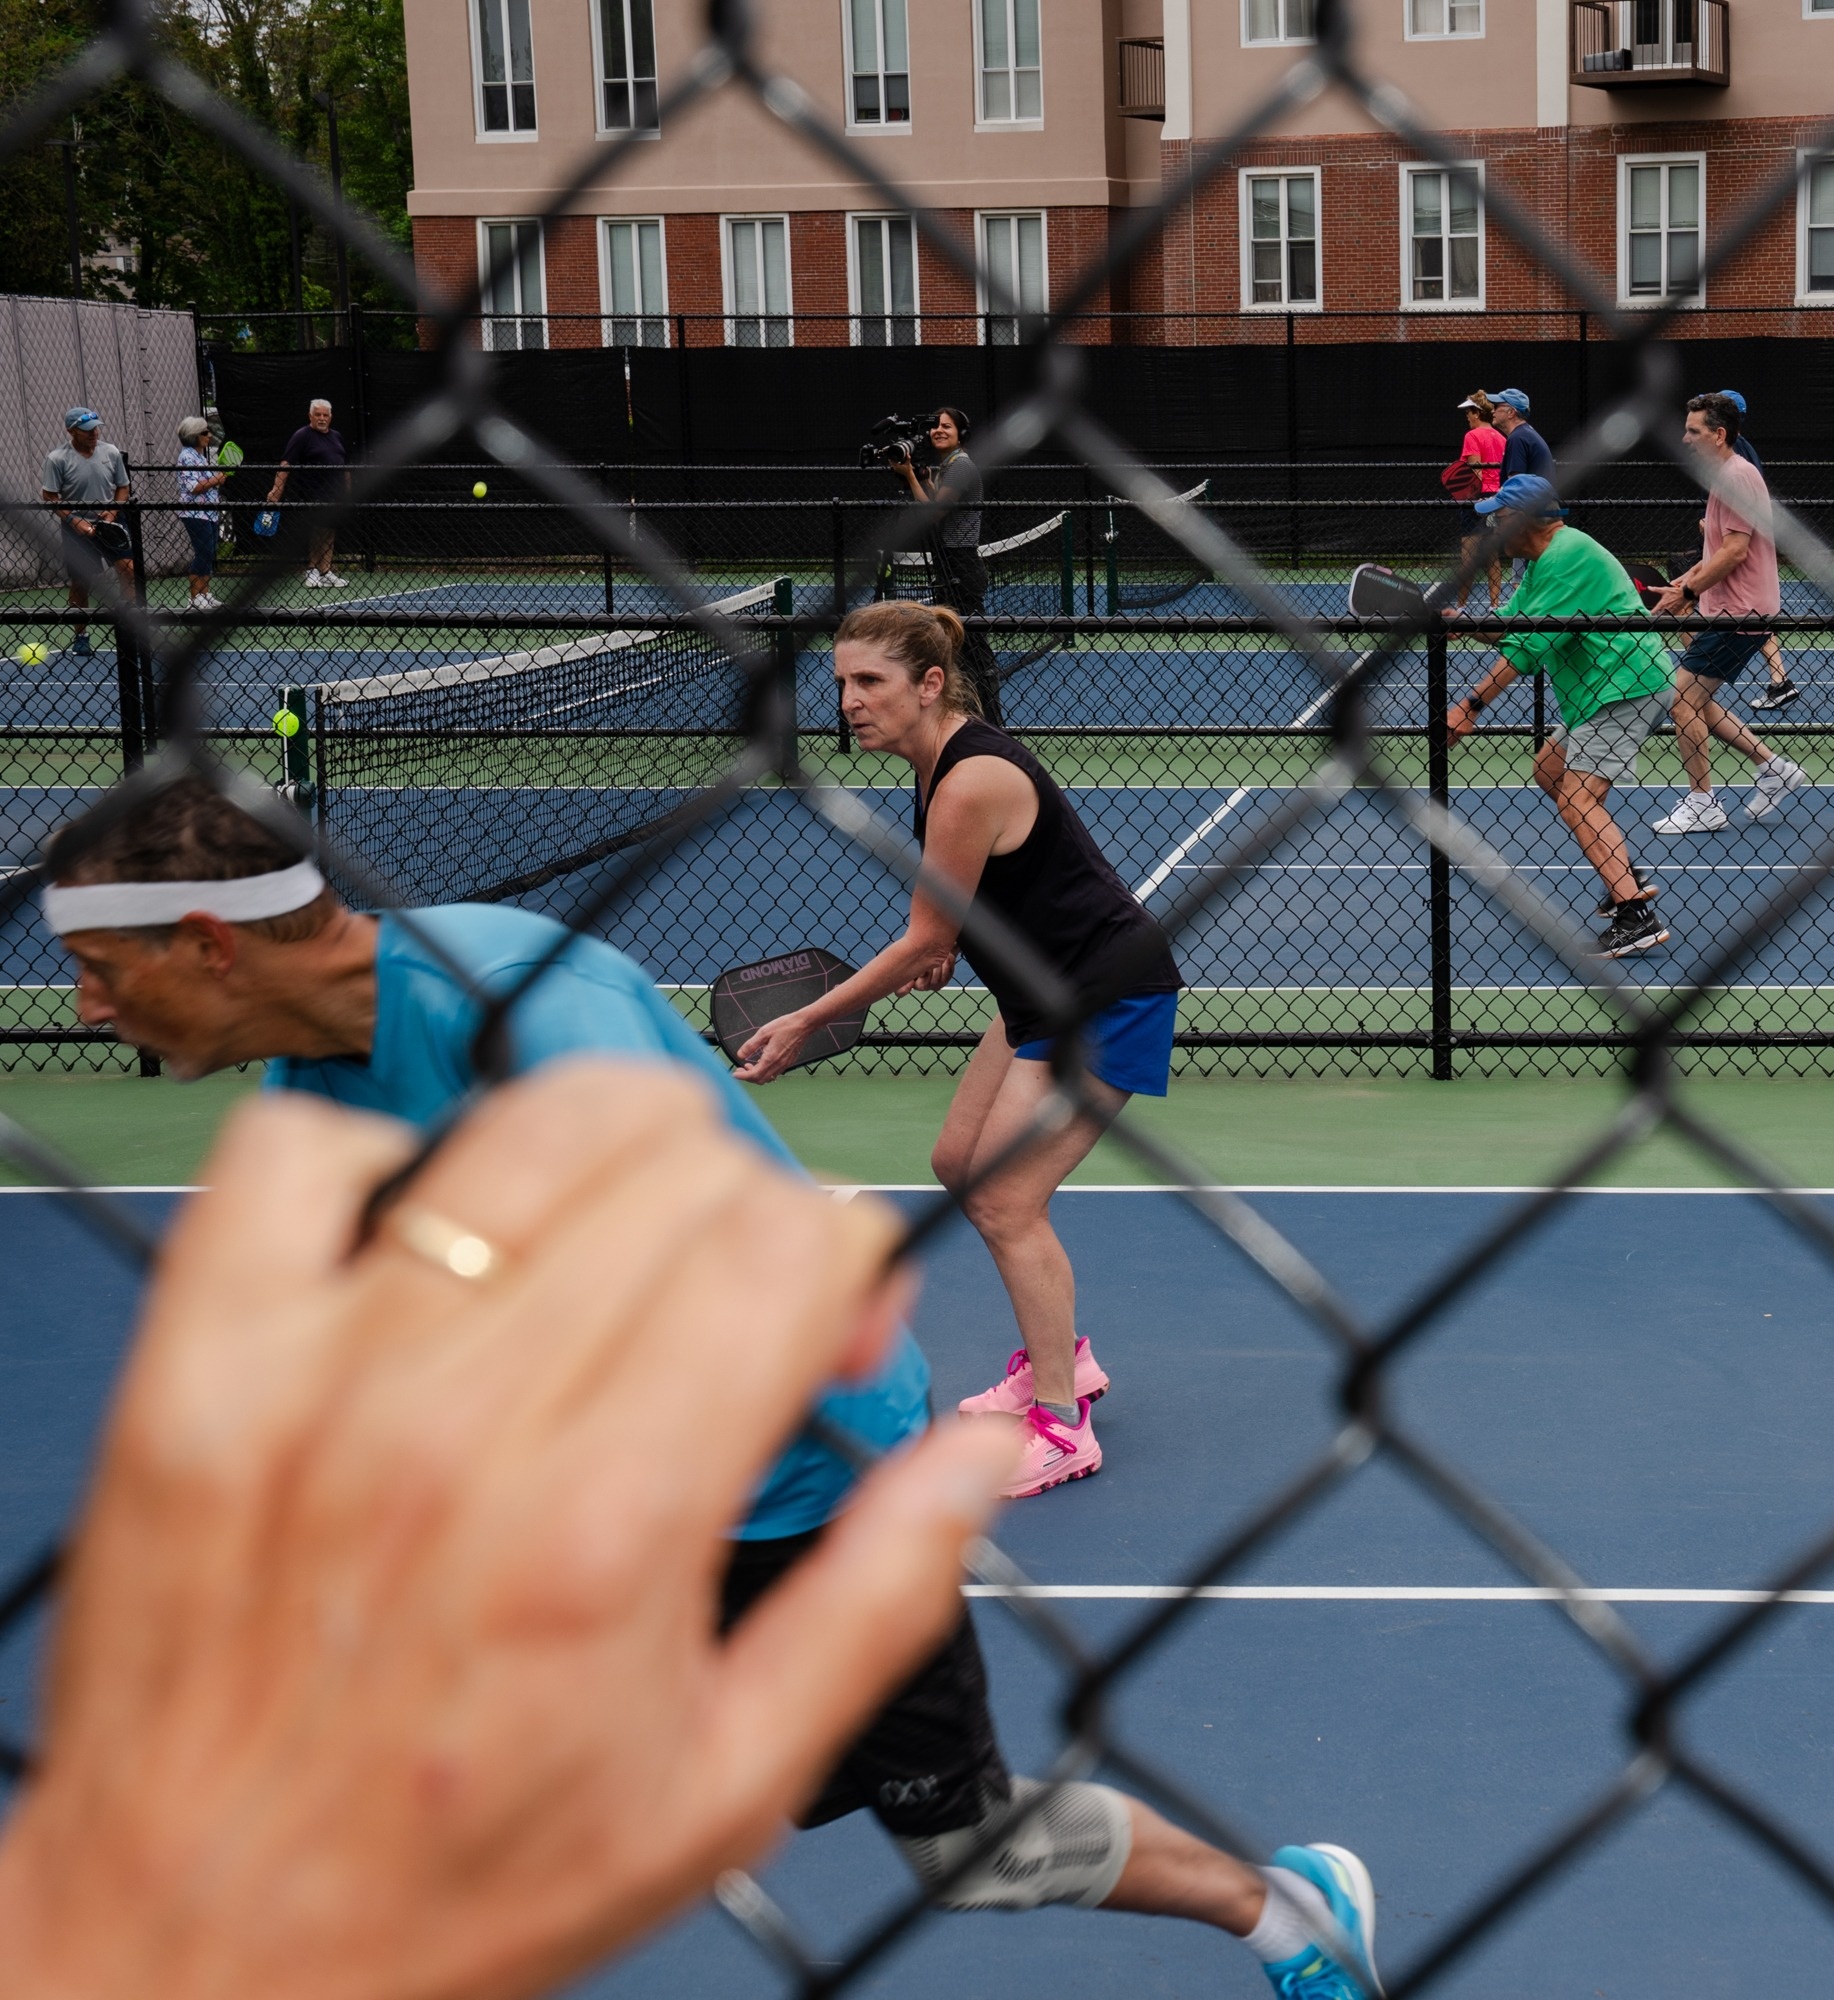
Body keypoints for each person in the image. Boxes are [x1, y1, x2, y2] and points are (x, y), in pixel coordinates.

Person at [16, 1037, 1834, 2000]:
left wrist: (151, 1941)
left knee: (956, 1835)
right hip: (734, 1502)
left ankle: (1276, 1899)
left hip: (792, 1512)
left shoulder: (570, 995)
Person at [36, 776, 1377, 2000]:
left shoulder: (521, 1000)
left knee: (972, 1852)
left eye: (99, 969)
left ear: (207, 944)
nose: (88, 1006)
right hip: (622, 1498)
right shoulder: (311, 1100)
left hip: (807, 1472)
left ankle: (1287, 1912)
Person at [733, 602, 1185, 1502]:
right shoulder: (936, 764)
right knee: (958, 1164)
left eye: (871, 681)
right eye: (842, 682)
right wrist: (948, 940)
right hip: (1039, 996)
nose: (849, 701)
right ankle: (1065, 1358)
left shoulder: (969, 777)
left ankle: (1061, 1423)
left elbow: (921, 937)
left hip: (1106, 997)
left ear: (930, 683)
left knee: (1007, 1200)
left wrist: (807, 1020)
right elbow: (982, 899)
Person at [1444, 473, 1676, 958]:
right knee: (1550, 770)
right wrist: (1467, 623)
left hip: (1624, 685)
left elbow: (1527, 649)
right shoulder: (1542, 563)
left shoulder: (1566, 556)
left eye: (1498, 520)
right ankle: (1624, 877)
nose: (1492, 531)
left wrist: (1469, 707)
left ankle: (1635, 915)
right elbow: (1512, 624)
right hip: (1600, 690)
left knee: (1578, 798)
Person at [1647, 394, 1808, 836]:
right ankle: (1774, 769)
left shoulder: (1737, 476)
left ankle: (1703, 803)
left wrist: (1688, 592)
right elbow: (1719, 549)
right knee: (1698, 700)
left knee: (1682, 701)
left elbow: (1736, 551)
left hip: (1739, 614)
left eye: (1694, 431)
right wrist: (1685, 582)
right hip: (1730, 612)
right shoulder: (1725, 476)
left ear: (1719, 435)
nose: (1685, 439)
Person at [890, 405, 1002, 712]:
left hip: (960, 565)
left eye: (947, 426)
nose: (939, 430)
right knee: (954, 642)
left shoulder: (960, 467)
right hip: (950, 562)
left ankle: (990, 716)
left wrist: (909, 476)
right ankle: (964, 710)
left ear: (960, 434)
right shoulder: (949, 465)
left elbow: (934, 513)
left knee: (973, 645)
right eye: (936, 426)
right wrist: (924, 478)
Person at [1707, 391, 1801, 714]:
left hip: (1736, 546)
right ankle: (1779, 680)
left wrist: (1717, 528)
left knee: (1748, 616)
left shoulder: (1739, 459)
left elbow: (1741, 523)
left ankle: (1698, 683)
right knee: (1752, 619)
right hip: (1730, 543)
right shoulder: (1734, 455)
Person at [40, 406, 135, 655]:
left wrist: (112, 511)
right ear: (71, 431)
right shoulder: (57, 459)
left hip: (110, 523)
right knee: (81, 582)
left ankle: (129, 628)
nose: (94, 433)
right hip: (77, 528)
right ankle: (81, 636)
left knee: (129, 570)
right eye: (86, 430)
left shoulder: (111, 452)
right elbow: (49, 496)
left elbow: (123, 487)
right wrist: (74, 520)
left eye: (96, 428)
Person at [266, 396, 350, 588]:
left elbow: (345, 465)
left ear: (330, 417)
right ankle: (312, 570)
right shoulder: (302, 435)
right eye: (317, 414)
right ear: (310, 416)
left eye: (325, 415)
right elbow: (286, 462)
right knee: (317, 530)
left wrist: (348, 491)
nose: (322, 418)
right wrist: (276, 489)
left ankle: (325, 571)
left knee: (330, 531)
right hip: (312, 493)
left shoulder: (337, 437)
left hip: (336, 495)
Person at [1451, 391, 1510, 608]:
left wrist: (1475, 499)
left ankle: (1461, 608)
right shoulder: (1502, 438)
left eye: (1469, 411)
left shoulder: (1472, 436)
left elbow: (1476, 471)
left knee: (1468, 556)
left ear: (1477, 413)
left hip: (1477, 501)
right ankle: (1495, 606)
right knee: (1492, 555)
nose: (1467, 416)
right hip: (1497, 499)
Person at [171, 414, 227, 608]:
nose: (209, 435)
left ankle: (205, 593)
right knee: (203, 552)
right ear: (194, 435)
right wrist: (216, 479)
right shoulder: (187, 457)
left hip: (208, 512)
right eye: (205, 432)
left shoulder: (199, 456)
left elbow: (206, 482)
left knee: (209, 552)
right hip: (195, 513)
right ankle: (195, 598)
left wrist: (216, 479)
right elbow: (193, 487)